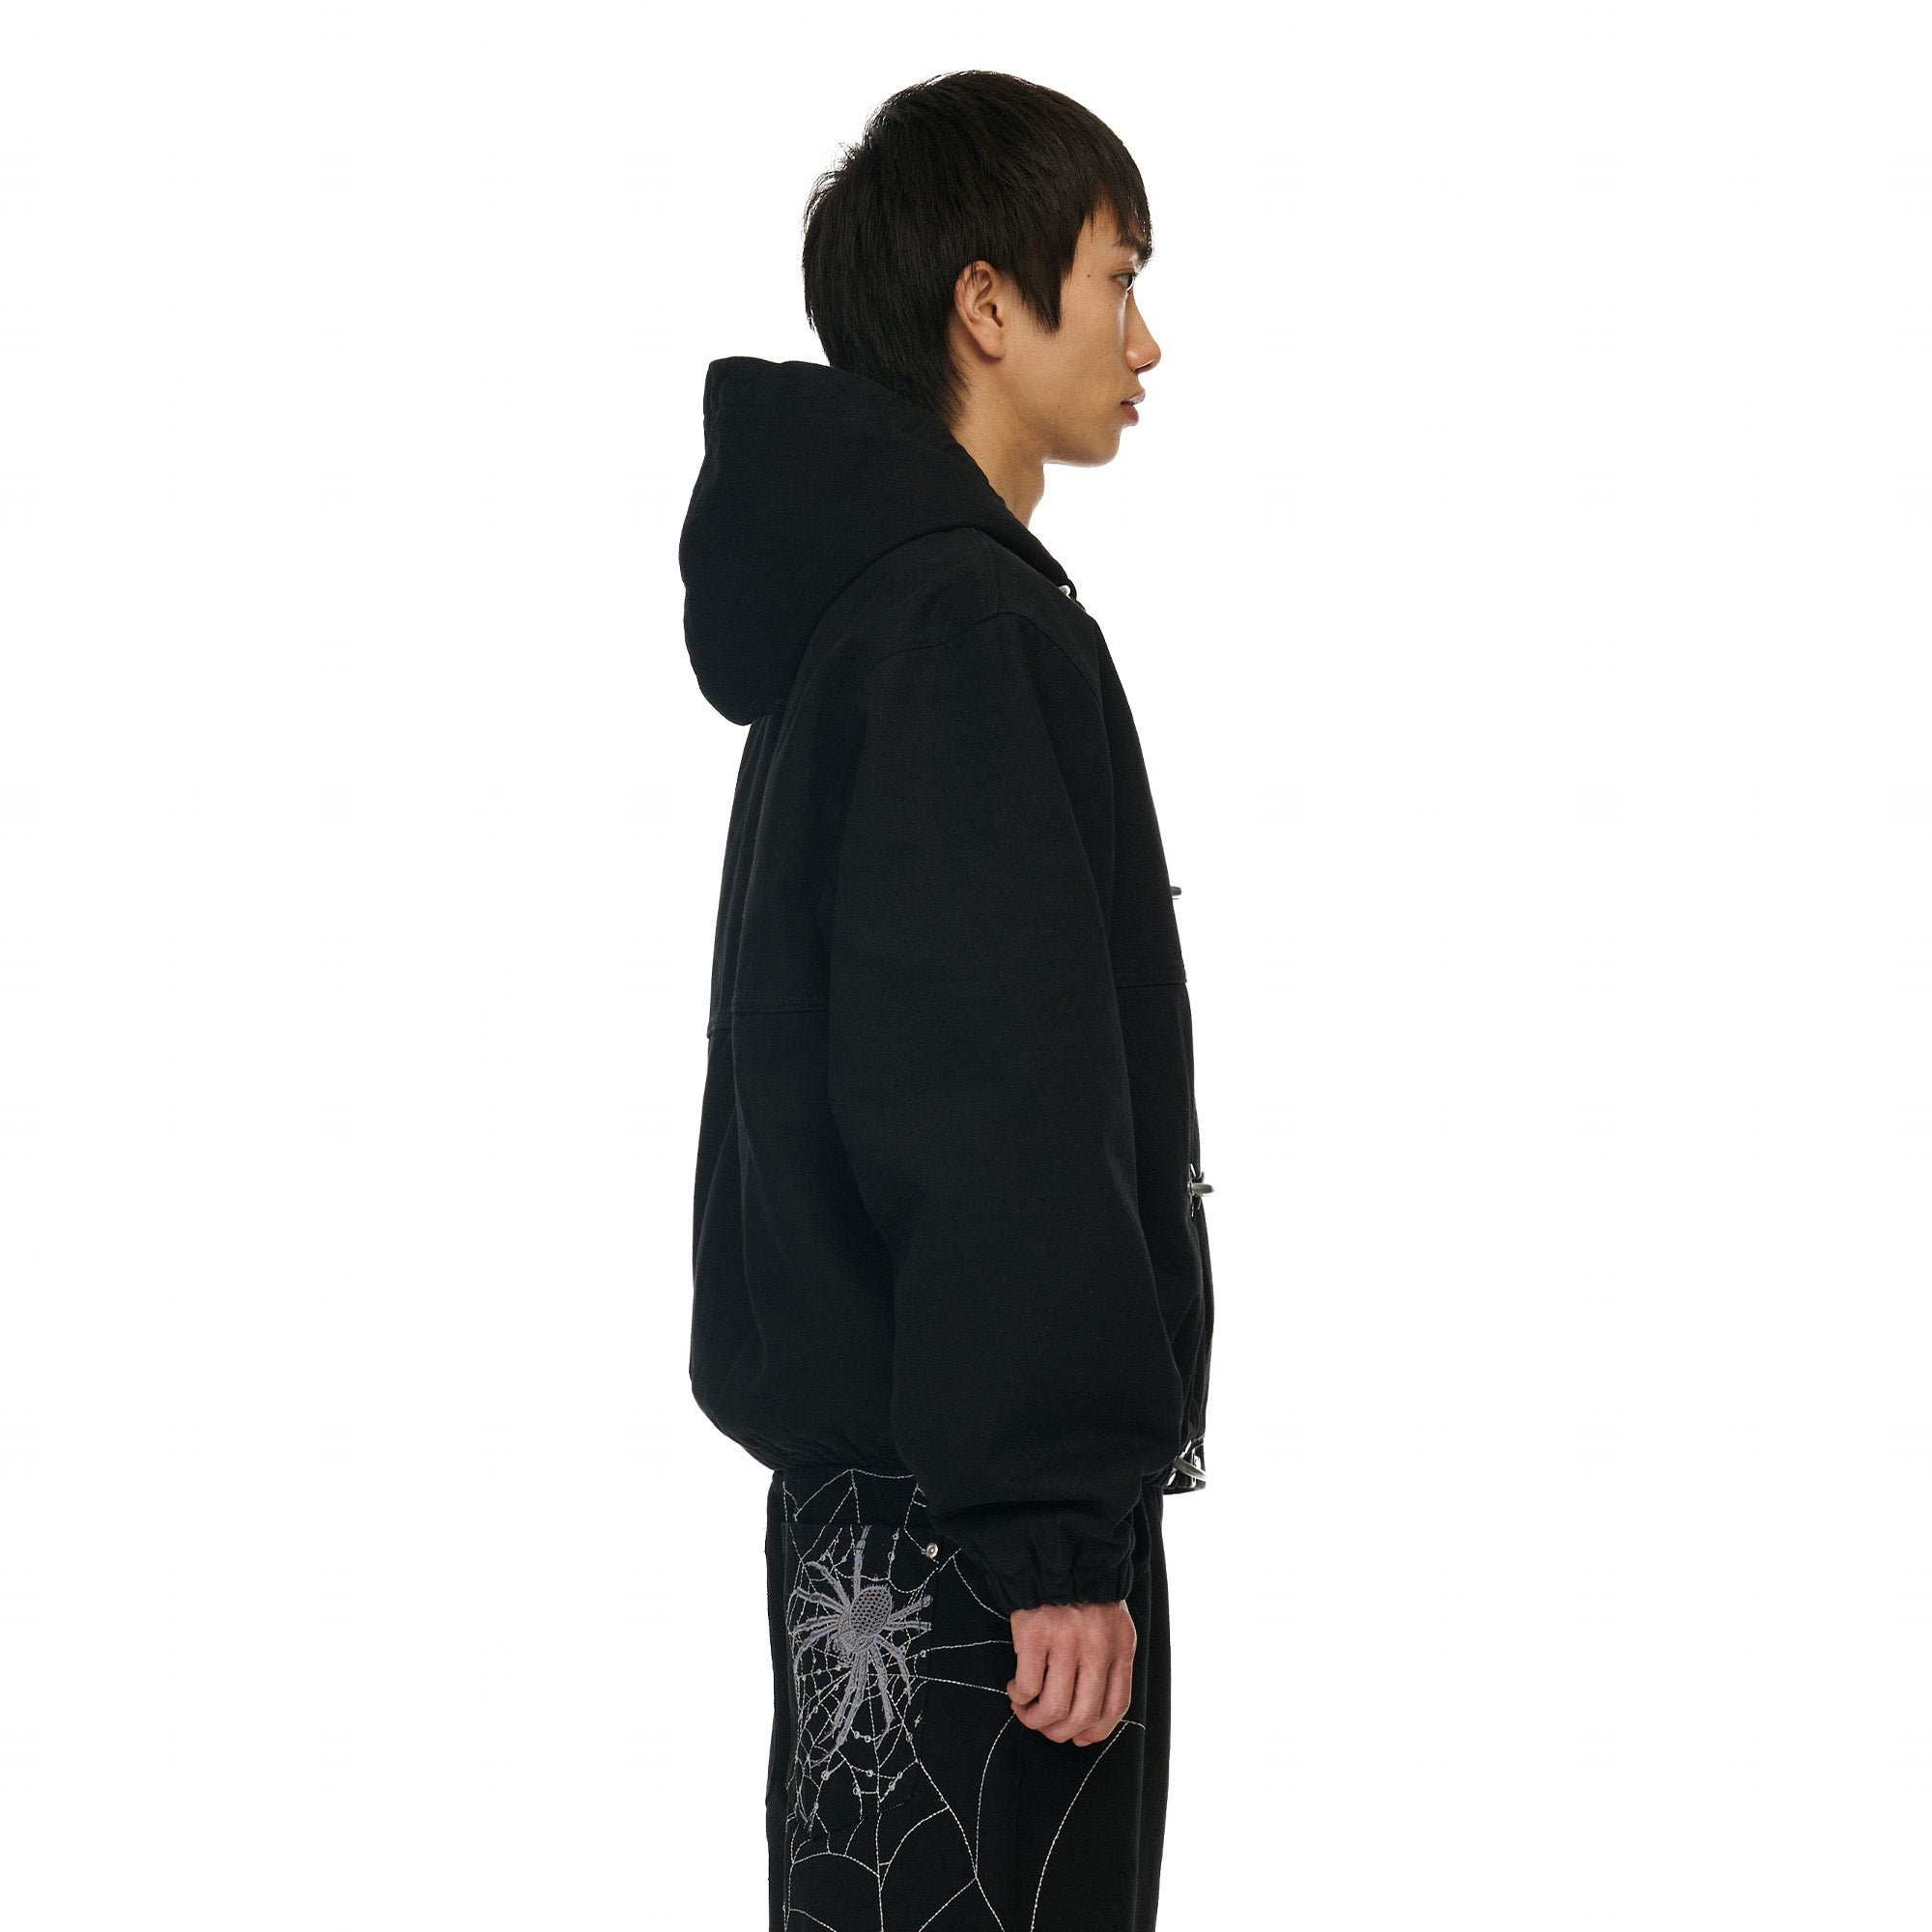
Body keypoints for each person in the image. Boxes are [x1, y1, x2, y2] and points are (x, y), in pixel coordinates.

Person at [677, 69, 1215, 1931]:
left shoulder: (860, 620)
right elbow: (986, 1088)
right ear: (989, 302)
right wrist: (1057, 1527)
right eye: (1117, 278)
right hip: (982, 1533)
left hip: (878, 1510)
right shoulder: (957, 627)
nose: (1144, 339)